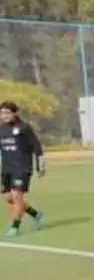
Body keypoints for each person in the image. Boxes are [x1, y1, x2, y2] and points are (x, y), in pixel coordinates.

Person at [0, 101, 46, 237]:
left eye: (7, 112)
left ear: (14, 113)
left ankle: (15, 227)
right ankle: (36, 214)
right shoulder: (2, 129)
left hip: (22, 168)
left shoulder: (24, 128)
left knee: (17, 196)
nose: (4, 115)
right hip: (7, 169)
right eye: (2, 113)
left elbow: (37, 147)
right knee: (10, 198)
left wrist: (41, 166)